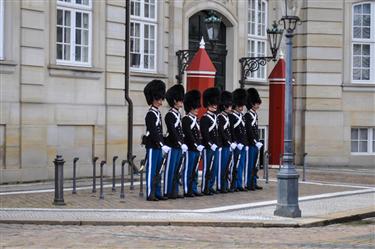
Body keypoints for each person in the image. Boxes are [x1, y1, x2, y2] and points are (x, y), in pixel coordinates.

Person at [143, 80, 170, 201]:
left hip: (158, 146)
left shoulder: (157, 113)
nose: (160, 101)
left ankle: (157, 192)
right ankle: (150, 193)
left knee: (159, 170)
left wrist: (163, 143)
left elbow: (159, 131)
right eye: (158, 99)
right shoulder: (150, 114)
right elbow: (153, 131)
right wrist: (160, 144)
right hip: (153, 146)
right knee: (151, 170)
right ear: (153, 98)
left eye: (161, 99)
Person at [164, 84, 186, 199]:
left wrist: (183, 143)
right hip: (172, 145)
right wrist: (179, 143)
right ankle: (168, 191)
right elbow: (172, 131)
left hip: (178, 145)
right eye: (179, 100)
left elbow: (180, 131)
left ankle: (175, 190)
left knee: (177, 169)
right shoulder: (169, 115)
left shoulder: (178, 114)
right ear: (174, 101)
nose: (181, 102)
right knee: (170, 169)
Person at [182, 90, 205, 197]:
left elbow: (198, 134)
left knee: (195, 171)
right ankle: (187, 189)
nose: (197, 109)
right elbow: (189, 135)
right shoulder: (186, 119)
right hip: (190, 149)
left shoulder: (196, 119)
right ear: (190, 107)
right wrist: (196, 145)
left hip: (196, 149)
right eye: (194, 107)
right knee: (188, 169)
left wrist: (200, 144)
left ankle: (194, 188)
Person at [200, 87, 220, 195]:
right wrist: (210, 144)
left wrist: (217, 144)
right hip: (208, 147)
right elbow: (205, 134)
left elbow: (217, 133)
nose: (215, 106)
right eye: (213, 104)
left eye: (216, 104)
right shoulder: (204, 118)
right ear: (208, 105)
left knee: (214, 168)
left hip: (215, 146)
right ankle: (205, 187)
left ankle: (211, 185)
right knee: (207, 168)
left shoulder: (216, 117)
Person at [217, 91, 237, 193]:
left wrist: (233, 141)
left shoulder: (227, 117)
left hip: (228, 145)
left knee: (227, 166)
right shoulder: (220, 117)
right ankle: (221, 186)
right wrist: (229, 143)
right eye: (229, 106)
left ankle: (226, 185)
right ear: (224, 106)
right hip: (224, 145)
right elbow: (222, 132)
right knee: (223, 167)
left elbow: (230, 131)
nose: (231, 108)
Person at [229, 88, 248, 192]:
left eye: (242, 105)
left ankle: (240, 183)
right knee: (234, 165)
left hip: (243, 144)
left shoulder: (242, 116)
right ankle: (234, 183)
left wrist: (245, 143)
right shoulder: (232, 116)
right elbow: (232, 131)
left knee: (241, 165)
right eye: (239, 105)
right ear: (235, 105)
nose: (241, 108)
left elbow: (244, 131)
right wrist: (235, 142)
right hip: (236, 144)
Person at [244, 88, 263, 190]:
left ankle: (254, 182)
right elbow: (249, 130)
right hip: (251, 143)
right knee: (250, 164)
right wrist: (254, 141)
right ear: (252, 103)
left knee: (255, 164)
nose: (258, 105)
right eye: (256, 103)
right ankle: (248, 183)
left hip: (255, 143)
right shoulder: (248, 115)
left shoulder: (254, 114)